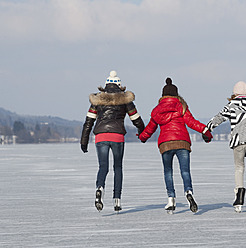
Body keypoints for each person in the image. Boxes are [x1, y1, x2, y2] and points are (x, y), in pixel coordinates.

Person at [139, 78, 213, 214]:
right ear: (176, 94)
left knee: (168, 172)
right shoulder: (181, 106)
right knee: (185, 171)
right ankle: (188, 191)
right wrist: (205, 131)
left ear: (163, 95)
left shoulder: (157, 110)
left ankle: (171, 199)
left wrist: (143, 137)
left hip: (165, 144)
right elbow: (192, 122)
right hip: (182, 142)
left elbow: (150, 128)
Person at [80, 70, 145, 212]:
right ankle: (117, 200)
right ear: (120, 85)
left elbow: (88, 122)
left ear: (105, 85)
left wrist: (84, 141)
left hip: (101, 136)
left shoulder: (97, 100)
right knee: (118, 168)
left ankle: (100, 188)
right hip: (117, 136)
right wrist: (142, 132)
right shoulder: (125, 100)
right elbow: (136, 119)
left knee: (103, 167)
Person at [205, 81, 246, 213]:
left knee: (239, 168)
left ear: (235, 93)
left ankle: (239, 198)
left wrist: (207, 129)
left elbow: (219, 118)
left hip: (238, 140)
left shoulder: (231, 105)